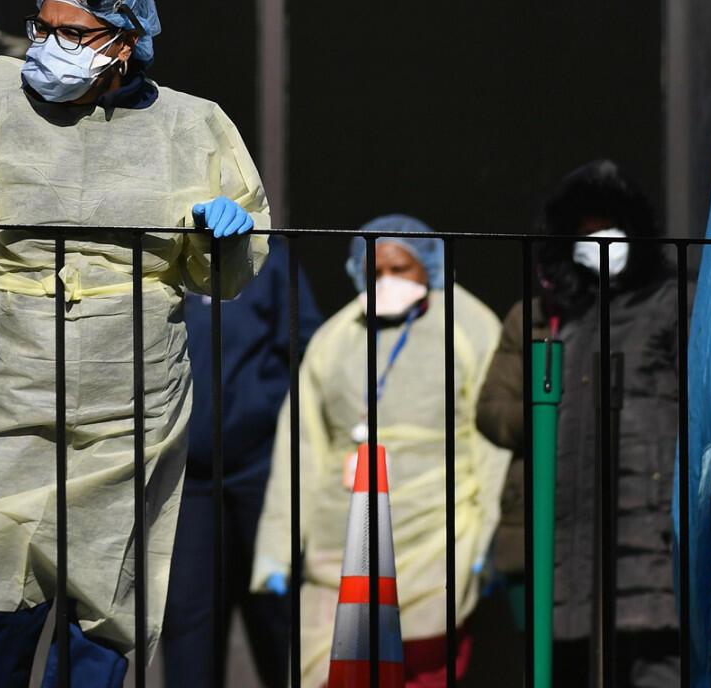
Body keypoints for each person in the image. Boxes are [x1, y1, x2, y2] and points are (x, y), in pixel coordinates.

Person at [0, 0, 269, 688]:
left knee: (104, 590)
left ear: (125, 43)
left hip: (134, 389)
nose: (49, 46)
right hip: (11, 378)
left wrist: (227, 235)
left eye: (75, 33)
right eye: (44, 29)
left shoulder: (193, 126)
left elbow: (224, 267)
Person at [251, 216, 510, 688]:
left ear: (429, 267)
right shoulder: (336, 339)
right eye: (375, 271)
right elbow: (302, 446)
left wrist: (488, 535)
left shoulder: (470, 328)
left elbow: (492, 444)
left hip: (437, 541)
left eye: (400, 268)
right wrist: (276, 549)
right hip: (339, 545)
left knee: (423, 669)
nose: (386, 281)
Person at [476, 160, 683, 688]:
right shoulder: (548, 314)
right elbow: (491, 409)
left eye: (609, 227)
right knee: (567, 660)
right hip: (564, 520)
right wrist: (549, 416)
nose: (599, 241)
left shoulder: (673, 299)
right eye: (586, 232)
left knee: (655, 660)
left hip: (650, 520)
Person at [162, 241, 323, 688]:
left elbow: (307, 345)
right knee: (189, 626)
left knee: (279, 618)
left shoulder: (270, 256)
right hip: (187, 479)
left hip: (263, 470)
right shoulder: (165, 252)